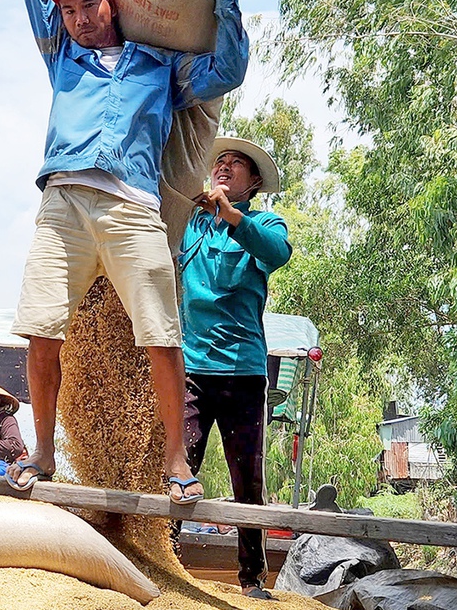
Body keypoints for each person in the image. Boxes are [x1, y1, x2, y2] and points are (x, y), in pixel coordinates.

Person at [9, 0, 250, 502]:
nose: (79, 18)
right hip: (63, 202)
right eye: (69, 11)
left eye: (89, 4)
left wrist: (227, 1)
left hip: (132, 208)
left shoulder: (158, 67)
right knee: (41, 329)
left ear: (112, 4)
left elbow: (226, 72)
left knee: (161, 335)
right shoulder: (62, 57)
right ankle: (43, 452)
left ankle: (176, 459)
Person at [174, 137, 291, 599]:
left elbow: (277, 252)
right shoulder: (191, 223)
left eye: (236, 164)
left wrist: (232, 215)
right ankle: (165, 561)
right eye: (219, 161)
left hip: (243, 371)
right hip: (192, 368)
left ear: (254, 182)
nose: (223, 167)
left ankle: (252, 578)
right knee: (179, 468)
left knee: (247, 480)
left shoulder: (264, 223)